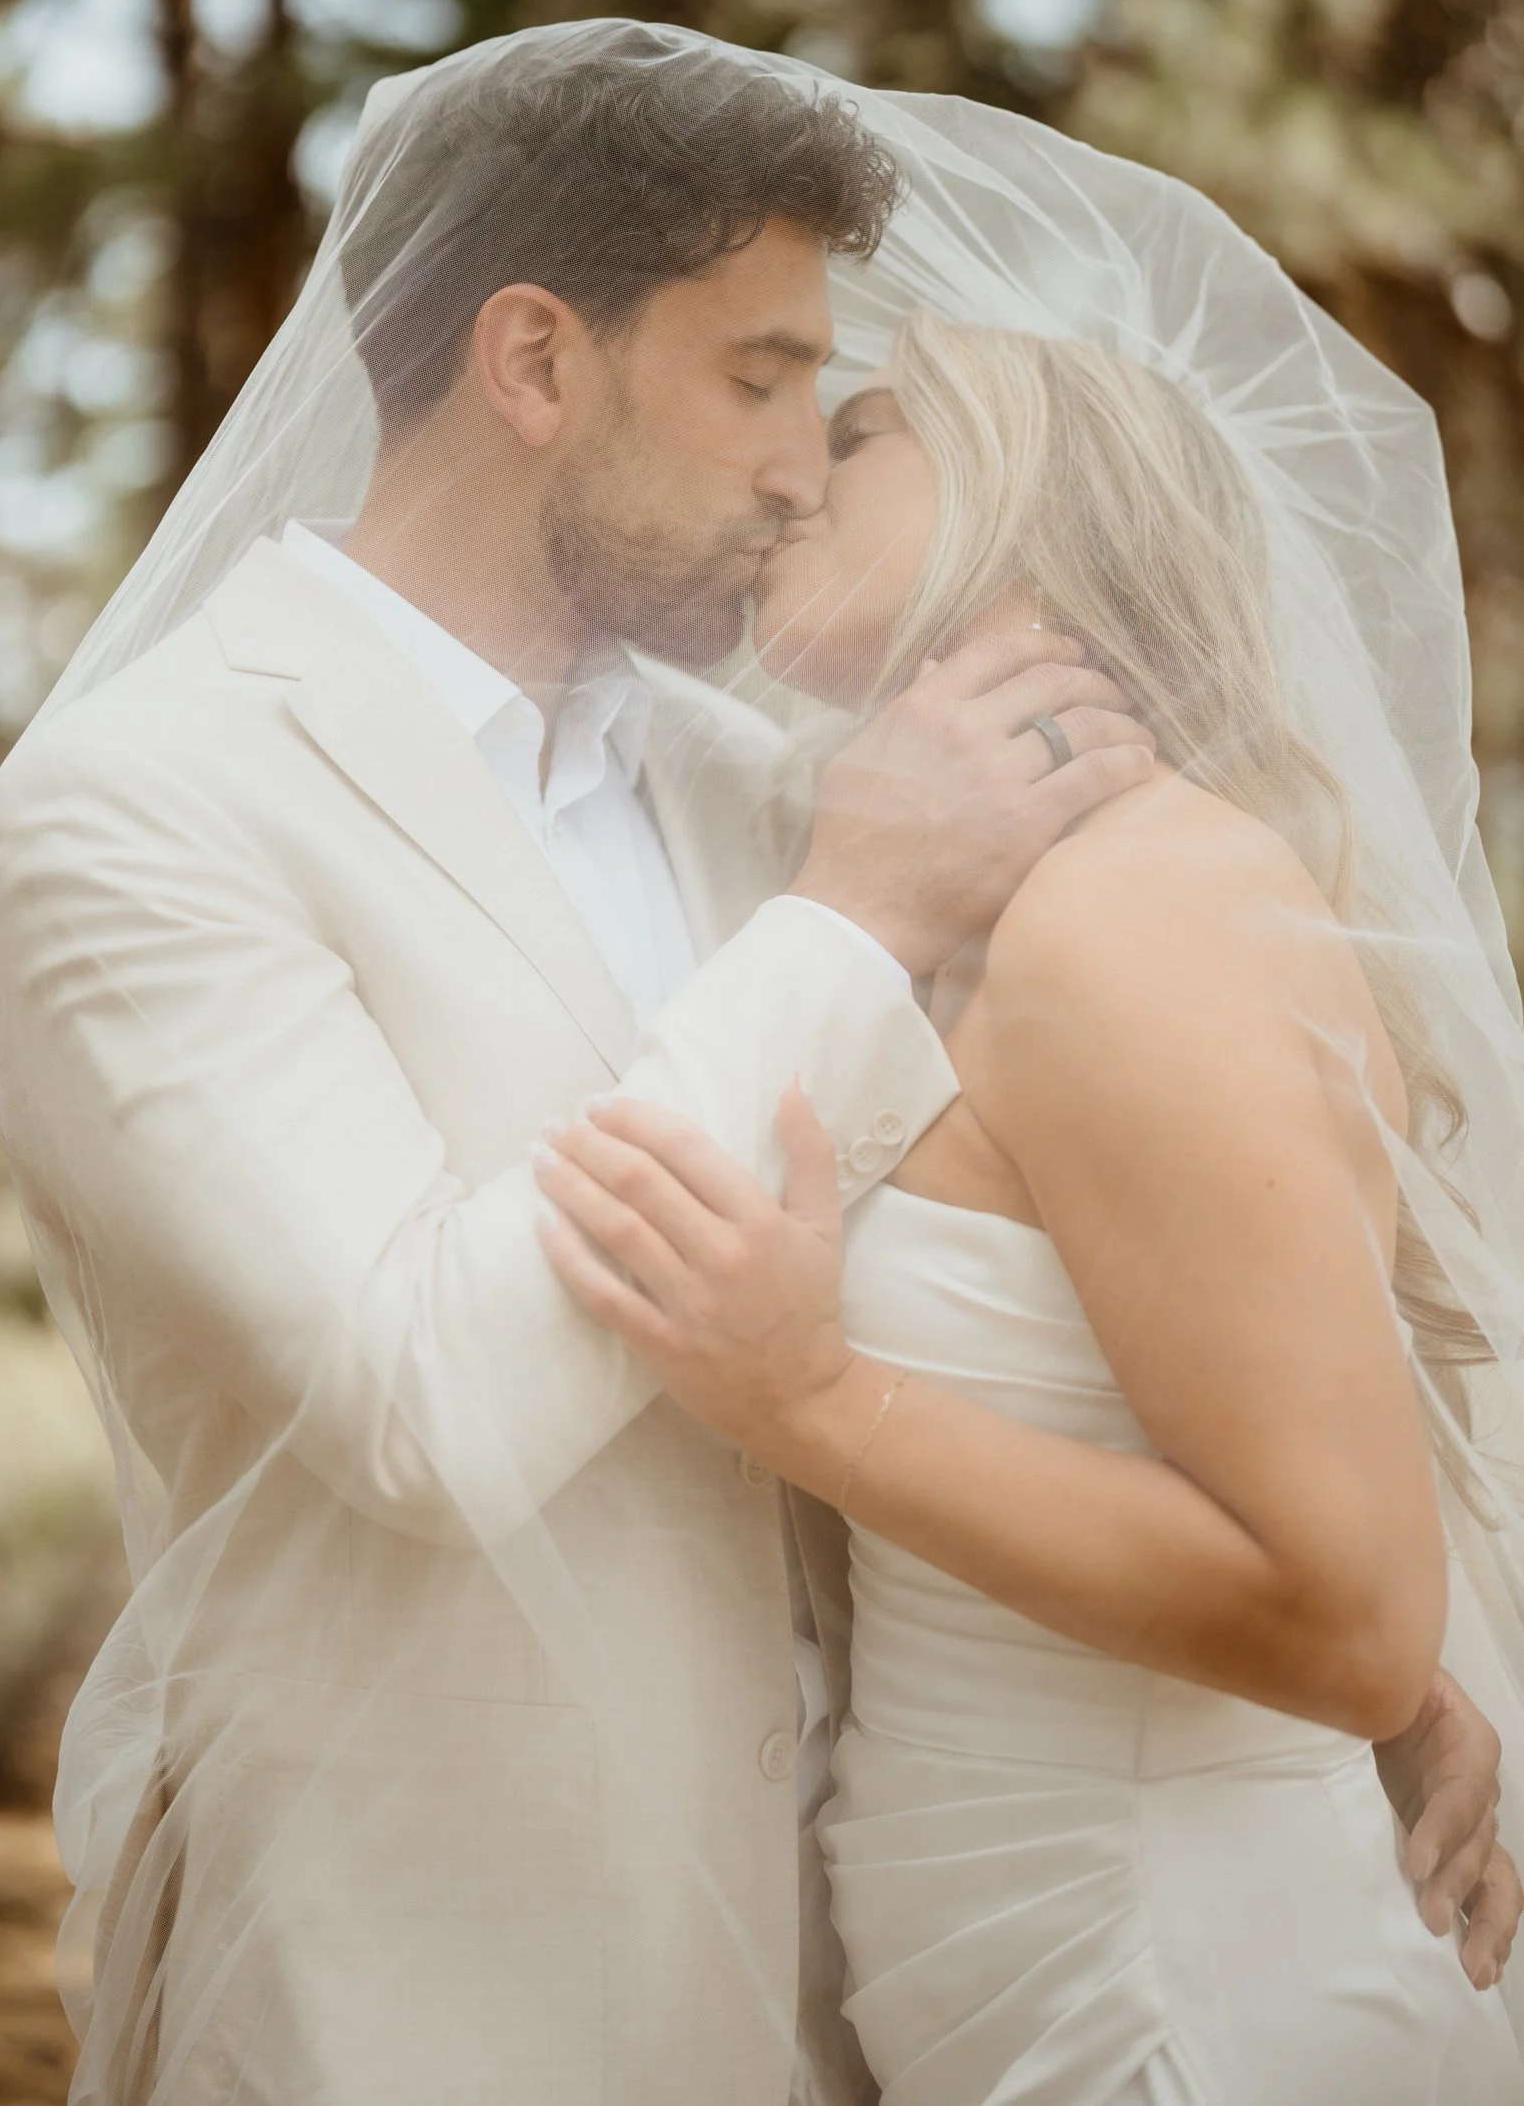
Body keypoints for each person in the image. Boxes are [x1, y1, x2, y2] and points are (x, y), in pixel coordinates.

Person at [0, 23, 1517, 2105]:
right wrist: (856, 907)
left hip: (862, 1986)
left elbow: (1036, 1252)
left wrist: (1326, 1660)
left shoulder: (745, 778)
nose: (799, 460)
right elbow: (427, 1408)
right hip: (435, 1989)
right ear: (532, 362)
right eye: (758, 377)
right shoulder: (140, 808)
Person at [534, 315, 1524, 2102]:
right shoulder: (982, 913)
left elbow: (1353, 1617)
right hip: (1028, 1950)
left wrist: (817, 1402)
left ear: (1026, 484)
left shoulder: (1121, 915)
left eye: (862, 433)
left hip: (1176, 1984)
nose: (790, 477)